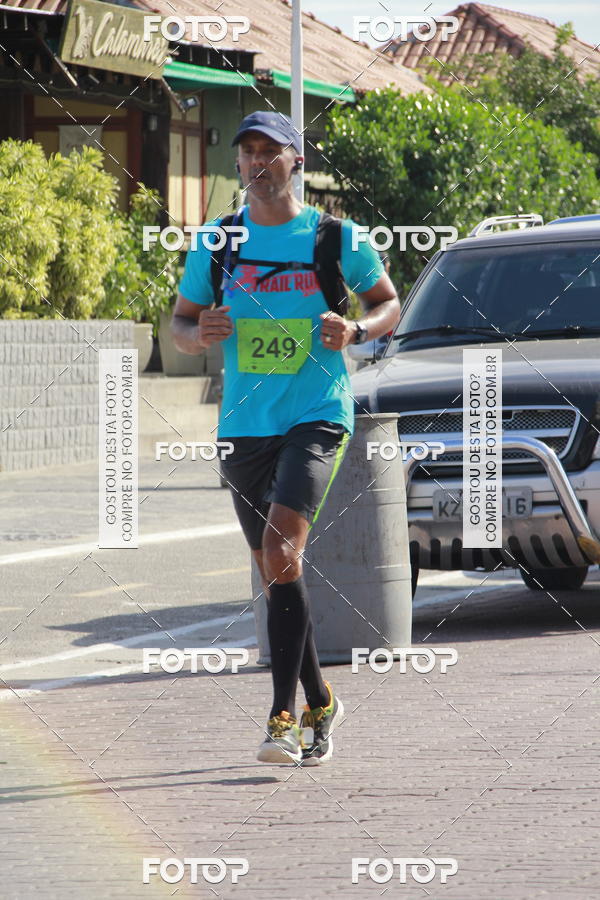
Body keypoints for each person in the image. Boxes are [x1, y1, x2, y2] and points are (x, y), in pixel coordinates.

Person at [171, 110, 401, 765]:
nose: (258, 163)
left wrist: (355, 331)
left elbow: (388, 306)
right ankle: (322, 700)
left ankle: (281, 718)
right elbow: (181, 324)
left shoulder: (334, 238)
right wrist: (198, 335)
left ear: (295, 161)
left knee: (279, 548)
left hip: (317, 413)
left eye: (271, 152)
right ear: (239, 166)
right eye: (248, 153)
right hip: (245, 423)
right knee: (277, 570)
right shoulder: (218, 244)